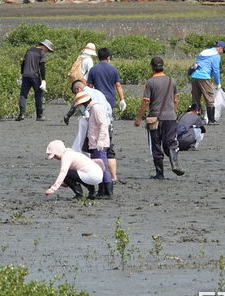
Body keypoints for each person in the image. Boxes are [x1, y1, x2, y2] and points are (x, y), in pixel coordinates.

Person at [134, 57, 183, 178]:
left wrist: (139, 118)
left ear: (152, 68)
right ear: (163, 66)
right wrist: (173, 112)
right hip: (171, 117)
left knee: (156, 145)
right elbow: (176, 99)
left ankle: (159, 174)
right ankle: (174, 164)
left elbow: (146, 102)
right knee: (171, 142)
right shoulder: (172, 80)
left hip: (155, 118)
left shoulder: (150, 82)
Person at [86, 47, 126, 182]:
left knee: (95, 128)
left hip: (96, 103)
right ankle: (113, 176)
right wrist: (122, 100)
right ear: (108, 57)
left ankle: (99, 172)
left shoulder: (93, 69)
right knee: (108, 129)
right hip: (109, 103)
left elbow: (89, 87)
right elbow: (118, 85)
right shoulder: (112, 69)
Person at [74, 91, 114, 199]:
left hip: (99, 144)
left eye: (81, 105)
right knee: (97, 167)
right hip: (94, 143)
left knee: (103, 167)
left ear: (85, 102)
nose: (81, 107)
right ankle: (102, 191)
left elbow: (103, 124)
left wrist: (100, 141)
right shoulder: (91, 110)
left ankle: (108, 193)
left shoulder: (96, 108)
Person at [190, 41, 225, 125]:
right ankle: (211, 120)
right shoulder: (216, 55)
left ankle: (195, 120)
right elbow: (216, 70)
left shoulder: (204, 52)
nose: (222, 53)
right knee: (210, 98)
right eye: (223, 51)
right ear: (220, 48)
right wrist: (218, 82)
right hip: (204, 77)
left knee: (195, 99)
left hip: (194, 76)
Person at [16, 40, 53, 121]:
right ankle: (39, 116)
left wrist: (21, 75)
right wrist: (43, 80)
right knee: (38, 95)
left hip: (25, 76)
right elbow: (42, 67)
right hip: (35, 76)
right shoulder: (41, 52)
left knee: (23, 95)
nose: (47, 51)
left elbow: (23, 63)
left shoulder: (29, 50)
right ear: (44, 46)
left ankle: (21, 115)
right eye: (47, 49)